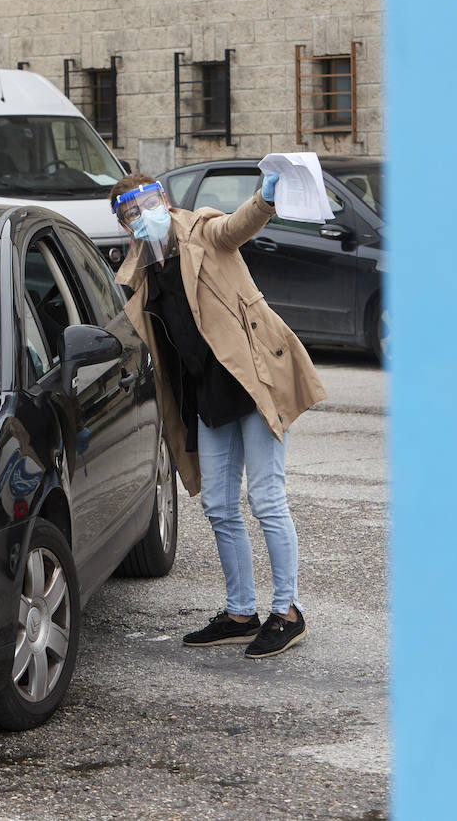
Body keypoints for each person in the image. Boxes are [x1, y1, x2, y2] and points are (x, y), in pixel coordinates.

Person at [110, 173, 327, 658]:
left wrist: (266, 198)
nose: (142, 215)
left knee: (267, 499)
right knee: (218, 506)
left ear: (164, 200)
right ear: (125, 224)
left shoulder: (202, 230)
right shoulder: (139, 272)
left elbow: (238, 226)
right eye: (130, 212)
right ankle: (240, 612)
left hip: (251, 383)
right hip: (206, 398)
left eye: (148, 202)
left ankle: (287, 612)